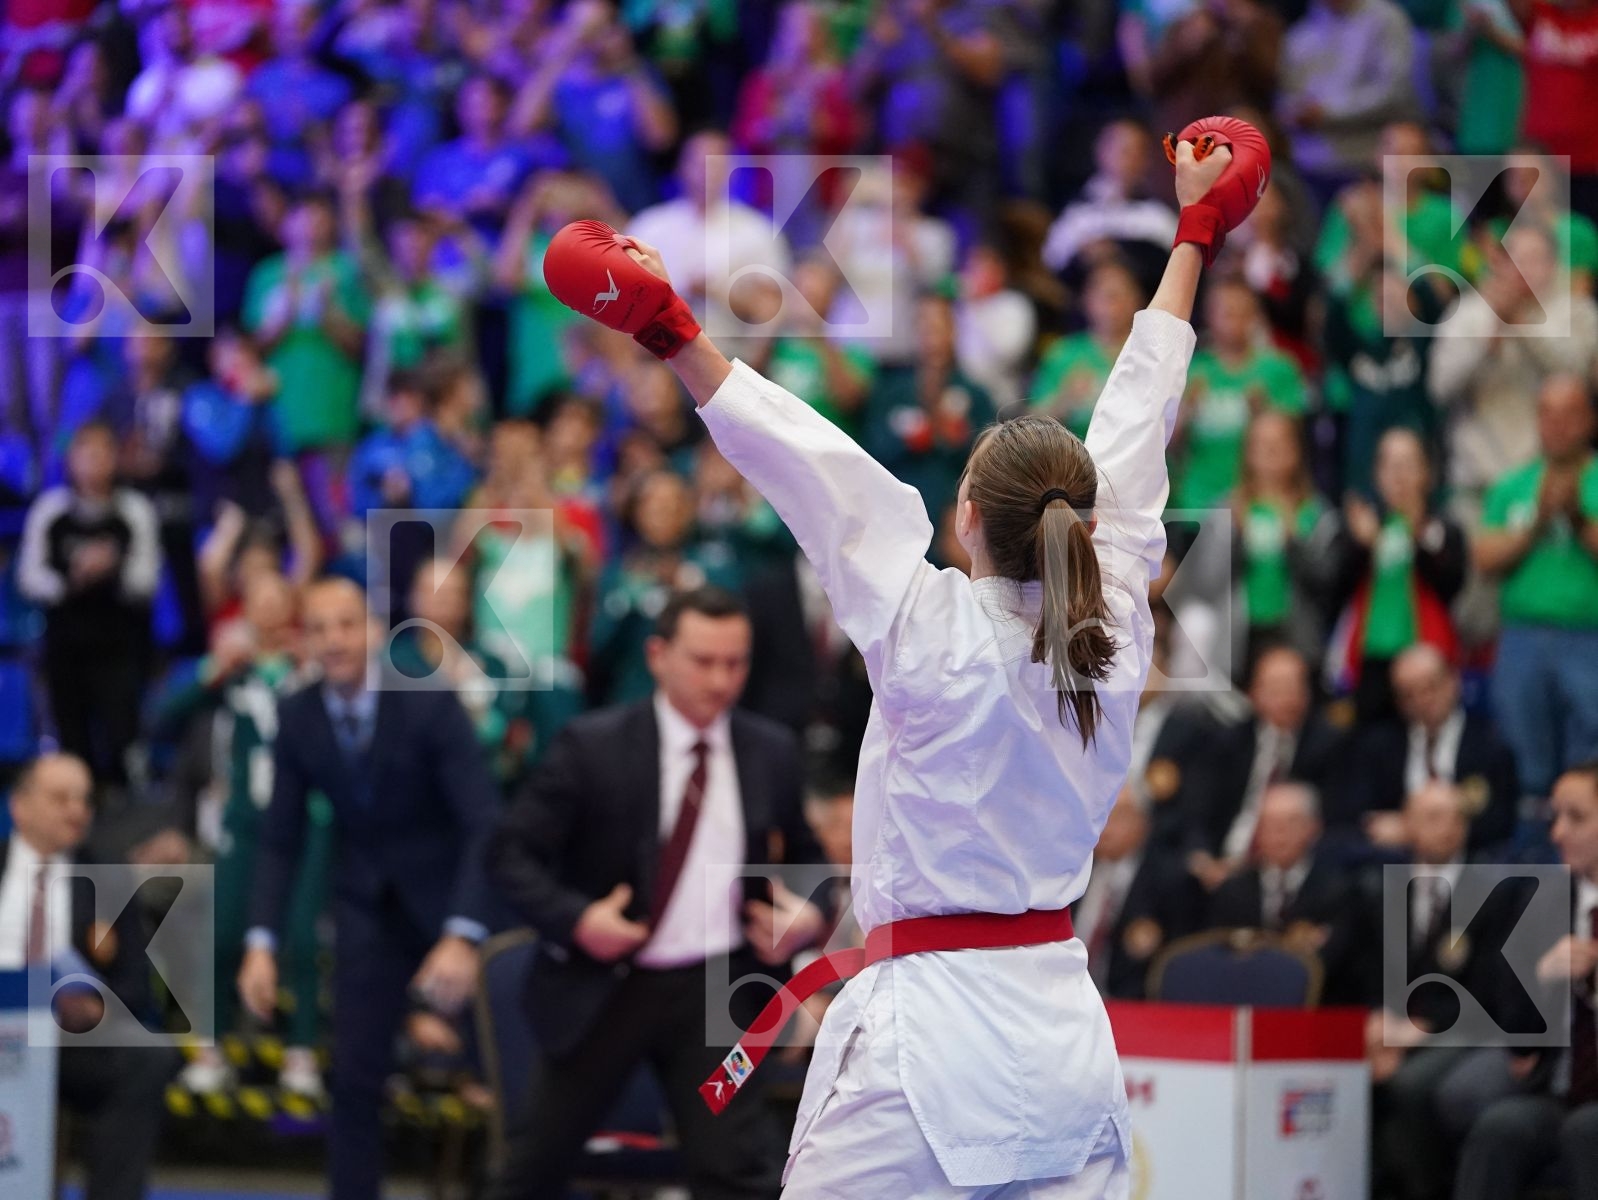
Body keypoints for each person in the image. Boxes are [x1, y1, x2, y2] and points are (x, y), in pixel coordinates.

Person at [540, 114, 1267, 1198]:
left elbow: (816, 471)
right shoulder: (1113, 613)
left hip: (925, 1049)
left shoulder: (929, 629)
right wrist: (1194, 232)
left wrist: (675, 333)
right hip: (1062, 1034)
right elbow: (1137, 410)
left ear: (965, 515)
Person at [484, 586, 829, 1198]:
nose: (721, 680)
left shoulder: (768, 751)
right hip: (606, 983)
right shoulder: (592, 746)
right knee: (534, 1164)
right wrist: (576, 918)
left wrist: (806, 916)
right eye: (703, 661)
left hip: (719, 992)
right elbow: (510, 854)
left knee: (737, 1169)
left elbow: (807, 855)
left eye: (736, 662)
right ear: (657, 655)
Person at [237, 577, 501, 1200]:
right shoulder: (298, 715)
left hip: (451, 903)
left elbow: (486, 823)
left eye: (346, 625)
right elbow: (280, 838)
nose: (334, 640)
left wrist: (463, 935)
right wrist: (260, 942)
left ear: (374, 632)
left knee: (505, 1071)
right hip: (366, 911)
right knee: (354, 1080)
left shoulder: (429, 701)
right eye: (319, 628)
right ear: (304, 641)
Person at [0, 753, 180, 1200]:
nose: (77, 811)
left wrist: (96, 1009)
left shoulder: (108, 875)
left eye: (84, 800)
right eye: (61, 798)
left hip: (67, 1038)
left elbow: (136, 988)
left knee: (147, 1056)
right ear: (18, 807)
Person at [1453, 762, 1598, 1200]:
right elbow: (1518, 1036)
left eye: (1576, 818)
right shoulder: (1544, 898)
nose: (1556, 833)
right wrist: (1540, 979)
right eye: (1554, 817)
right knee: (1501, 1127)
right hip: (1561, 1087)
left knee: (1585, 1131)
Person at [17, 420, 161, 788]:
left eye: (103, 452)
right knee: (70, 735)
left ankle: (120, 806)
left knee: (121, 732)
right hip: (66, 642)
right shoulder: (52, 511)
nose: (95, 461)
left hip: (119, 642)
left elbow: (147, 579)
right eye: (86, 452)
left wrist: (112, 567)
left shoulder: (134, 510)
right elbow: (29, 576)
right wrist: (72, 579)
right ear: (72, 460)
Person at [1475, 374, 1598, 801]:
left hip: (1589, 637)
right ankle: (1530, 856)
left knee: (1590, 761)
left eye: (1569, 414)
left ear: (1590, 420)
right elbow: (1484, 557)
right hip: (1522, 637)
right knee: (1523, 762)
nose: (1557, 424)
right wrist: (1535, 525)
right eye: (1547, 413)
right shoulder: (1513, 484)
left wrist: (1580, 520)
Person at [1337, 644, 1519, 855]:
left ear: (1453, 682)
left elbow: (1499, 823)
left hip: (1468, 862)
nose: (1422, 700)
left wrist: (1415, 831)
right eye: (1408, 694)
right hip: (1396, 864)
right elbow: (1356, 814)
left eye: (1430, 687)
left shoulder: (1489, 746)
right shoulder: (1379, 746)